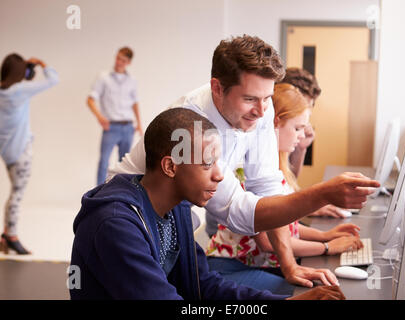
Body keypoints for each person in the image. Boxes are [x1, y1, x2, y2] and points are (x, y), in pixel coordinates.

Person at [109, 35, 380, 288]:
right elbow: (240, 213)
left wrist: (289, 266)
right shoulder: (189, 124)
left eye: (267, 98)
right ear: (217, 88)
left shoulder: (261, 108)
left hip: (176, 220)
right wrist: (323, 194)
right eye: (250, 99)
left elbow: (267, 188)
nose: (262, 111)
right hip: (134, 217)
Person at [69, 108, 345, 300]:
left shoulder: (175, 209)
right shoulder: (115, 225)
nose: (219, 174)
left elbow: (203, 284)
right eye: (206, 163)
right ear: (170, 166)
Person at [206, 83, 364, 294]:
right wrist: (326, 247)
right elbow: (267, 242)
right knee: (312, 292)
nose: (301, 137)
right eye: (297, 128)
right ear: (275, 124)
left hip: (257, 264)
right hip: (229, 269)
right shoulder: (248, 173)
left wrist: (324, 236)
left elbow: (286, 227)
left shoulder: (275, 170)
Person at [0, 53, 59, 254]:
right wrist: (43, 64)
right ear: (21, 73)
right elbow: (53, 80)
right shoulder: (20, 91)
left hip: (7, 153)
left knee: (14, 192)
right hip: (21, 152)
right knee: (17, 194)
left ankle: (6, 234)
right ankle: (11, 236)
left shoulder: (3, 91)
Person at [280, 68, 345, 219]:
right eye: (301, 105)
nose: (306, 114)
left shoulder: (291, 133)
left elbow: (289, 183)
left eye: (310, 107)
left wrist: (301, 148)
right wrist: (308, 207)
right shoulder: (274, 133)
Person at [87, 46, 143, 186]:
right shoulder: (104, 77)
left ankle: (120, 193)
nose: (119, 62)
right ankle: (99, 193)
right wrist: (100, 117)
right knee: (104, 161)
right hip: (111, 126)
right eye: (118, 58)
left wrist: (139, 123)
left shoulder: (132, 80)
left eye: (123, 60)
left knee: (125, 165)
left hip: (128, 126)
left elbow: (135, 103)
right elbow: (90, 99)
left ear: (128, 62)